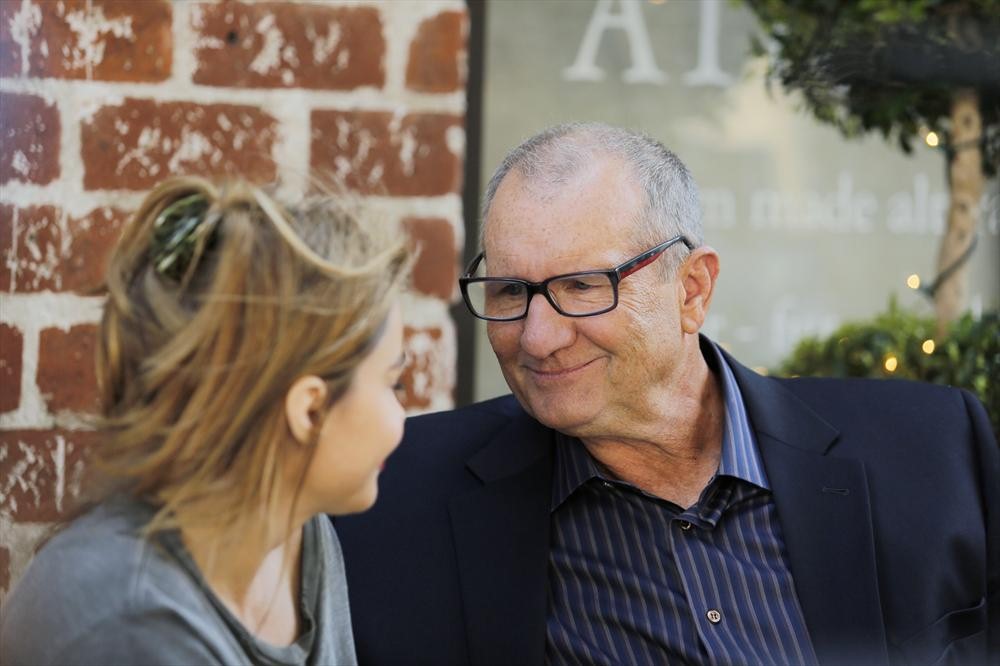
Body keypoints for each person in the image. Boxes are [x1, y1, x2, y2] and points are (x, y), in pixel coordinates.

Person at [336, 123, 999, 666]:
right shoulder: (388, 494)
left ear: (692, 290)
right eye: (512, 292)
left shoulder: (935, 450)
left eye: (582, 286)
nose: (537, 338)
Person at [1, 176, 411, 665]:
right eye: (393, 384)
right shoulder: (125, 623)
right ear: (310, 410)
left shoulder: (302, 534)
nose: (402, 414)